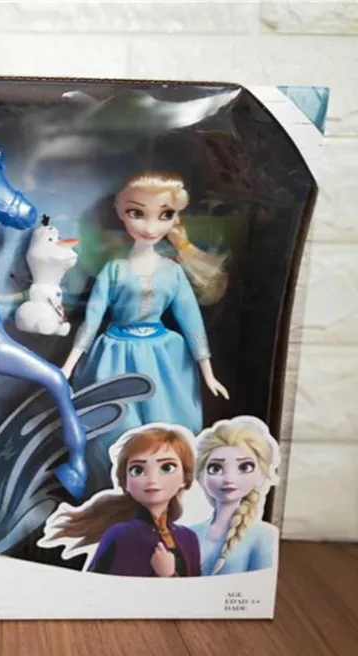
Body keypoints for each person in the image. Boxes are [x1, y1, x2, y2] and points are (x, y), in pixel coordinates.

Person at [60, 171, 229, 489]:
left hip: (164, 358)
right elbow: (92, 319)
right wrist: (68, 366)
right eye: (137, 213)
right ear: (121, 213)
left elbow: (191, 320)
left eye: (164, 215)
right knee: (114, 430)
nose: (151, 227)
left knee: (168, 424)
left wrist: (207, 371)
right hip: (115, 356)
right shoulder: (115, 270)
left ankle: (167, 490)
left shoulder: (172, 272)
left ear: (175, 218)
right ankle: (113, 491)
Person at [39, 425, 201, 577]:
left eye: (167, 468)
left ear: (184, 478)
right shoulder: (123, 535)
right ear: (126, 482)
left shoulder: (188, 537)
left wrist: (170, 576)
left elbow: (198, 591)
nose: (152, 479)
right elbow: (103, 589)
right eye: (138, 470)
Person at [191, 417, 280, 575]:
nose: (229, 479)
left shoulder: (263, 535)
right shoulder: (190, 533)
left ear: (261, 474)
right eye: (215, 468)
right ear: (201, 476)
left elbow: (261, 586)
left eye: (244, 467)